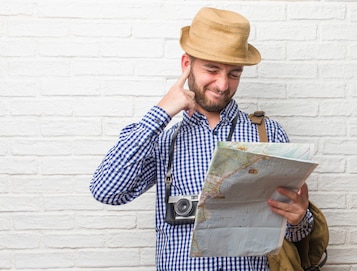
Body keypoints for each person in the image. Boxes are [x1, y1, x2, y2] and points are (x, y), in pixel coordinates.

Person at [90, 7, 313, 271]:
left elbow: (294, 234)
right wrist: (160, 113)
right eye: (212, 69)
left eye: (234, 74)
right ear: (187, 65)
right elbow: (106, 191)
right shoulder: (162, 139)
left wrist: (299, 219)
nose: (222, 85)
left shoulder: (269, 133)